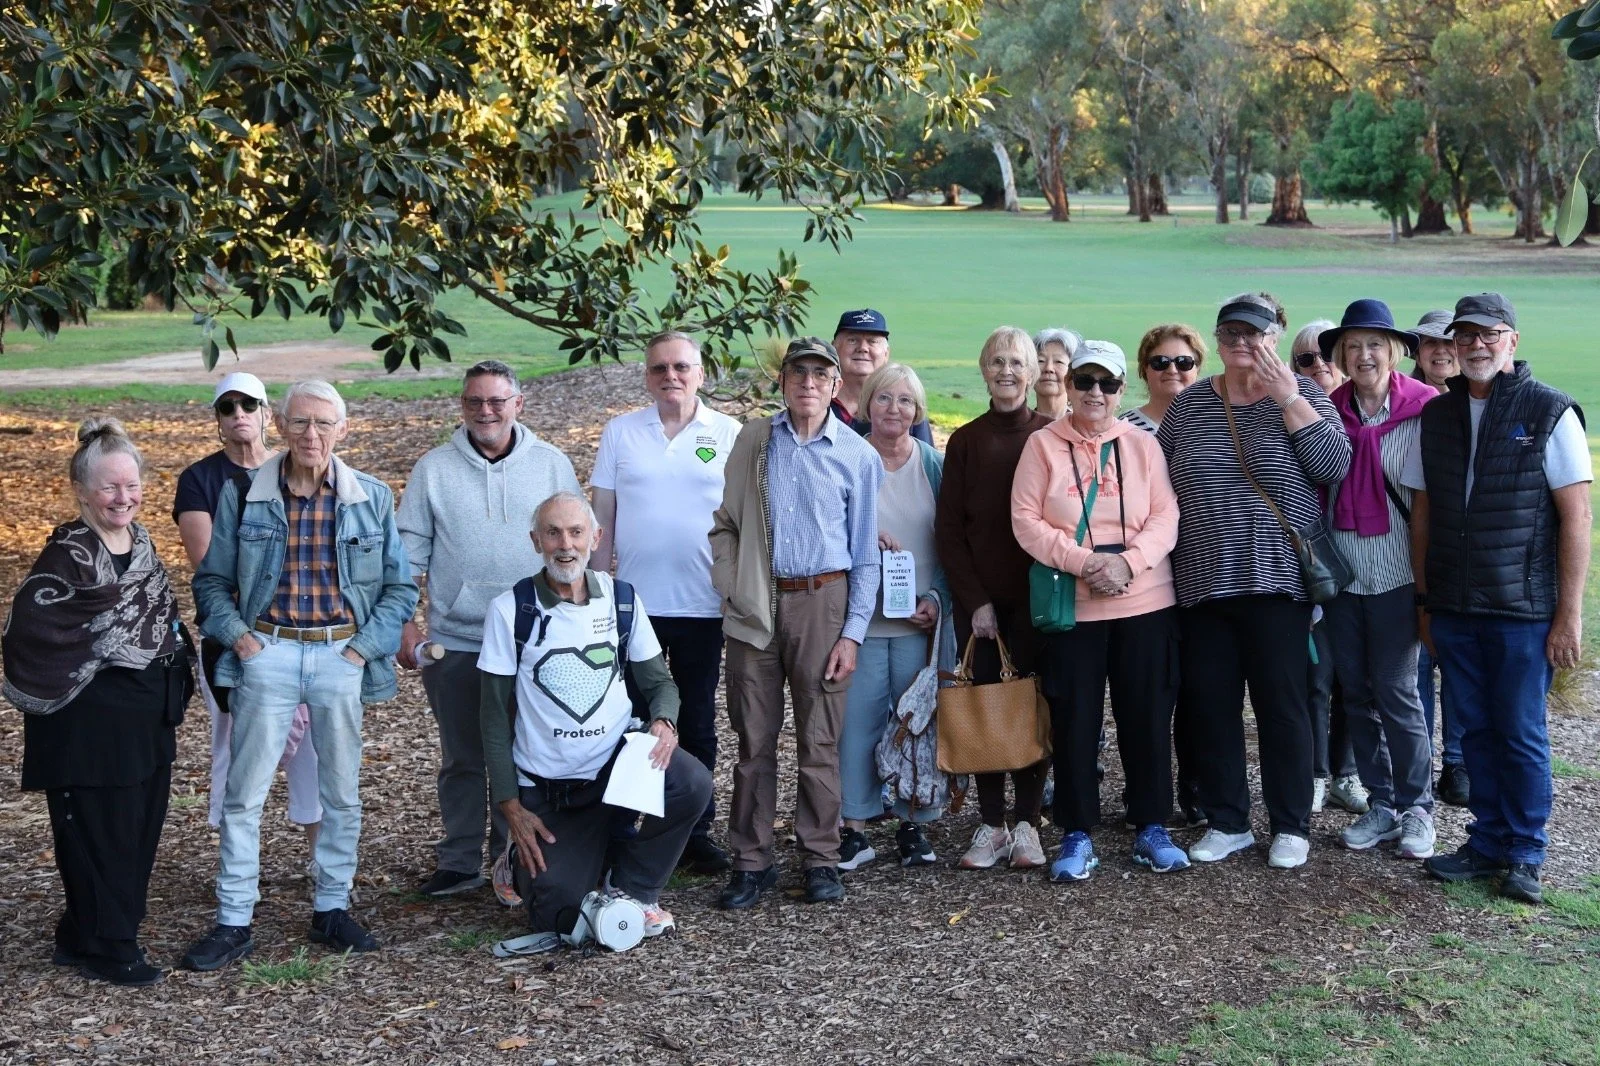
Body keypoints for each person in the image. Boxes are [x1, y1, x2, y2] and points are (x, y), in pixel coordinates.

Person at [183, 380, 419, 970]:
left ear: (344, 429)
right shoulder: (245, 496)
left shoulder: (371, 497)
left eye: (323, 424)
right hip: (270, 652)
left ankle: (331, 909)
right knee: (244, 795)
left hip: (341, 655)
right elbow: (210, 583)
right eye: (299, 423)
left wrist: (363, 651)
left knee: (340, 792)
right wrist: (242, 639)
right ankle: (234, 919)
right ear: (280, 427)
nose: (311, 435)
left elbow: (399, 589)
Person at [1406, 293, 1592, 905]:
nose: (1476, 346)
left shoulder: (1549, 411)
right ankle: (1485, 842)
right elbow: (1423, 512)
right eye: (1466, 337)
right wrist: (1425, 601)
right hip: (1455, 609)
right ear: (1452, 346)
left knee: (1520, 732)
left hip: (1521, 612)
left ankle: (1526, 852)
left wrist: (1568, 615)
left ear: (1512, 340)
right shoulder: (1437, 416)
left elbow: (1576, 518)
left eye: (1490, 335)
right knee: (1476, 732)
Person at [1157, 293, 1352, 870]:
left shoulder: (1305, 394)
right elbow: (1162, 483)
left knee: (1283, 706)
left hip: (1278, 582)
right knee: (1211, 706)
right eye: (1231, 333)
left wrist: (1290, 397)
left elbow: (1332, 467)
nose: (1242, 343)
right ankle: (1228, 821)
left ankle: (1290, 824)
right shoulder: (1191, 405)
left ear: (1273, 338)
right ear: (1216, 341)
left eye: (1254, 333)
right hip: (1203, 581)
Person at [5, 419, 192, 988]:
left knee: (138, 828)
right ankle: (110, 945)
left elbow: (159, 616)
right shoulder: (68, 554)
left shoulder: (141, 543)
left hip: (144, 715)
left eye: (131, 485)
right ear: (82, 490)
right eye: (110, 487)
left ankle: (83, 931)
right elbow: (33, 630)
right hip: (87, 723)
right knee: (97, 831)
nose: (123, 497)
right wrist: (105, 652)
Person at [477, 492, 711, 940]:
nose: (565, 544)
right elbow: (492, 717)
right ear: (535, 541)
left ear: (596, 538)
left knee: (692, 781)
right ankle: (521, 861)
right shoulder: (510, 611)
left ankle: (633, 889)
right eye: (553, 533)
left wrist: (664, 721)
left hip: (617, 773)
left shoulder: (621, 600)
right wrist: (510, 807)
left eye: (576, 532)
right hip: (551, 790)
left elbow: (659, 683)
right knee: (559, 915)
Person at [397, 360, 579, 901]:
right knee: (463, 756)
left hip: (535, 639)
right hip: (457, 639)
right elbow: (407, 555)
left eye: (497, 401)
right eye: (475, 401)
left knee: (525, 753)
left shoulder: (550, 465)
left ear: (518, 405)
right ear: (462, 406)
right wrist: (406, 621)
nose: (486, 411)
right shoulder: (433, 469)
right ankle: (458, 861)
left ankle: (514, 859)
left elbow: (574, 545)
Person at [710, 336, 882, 907]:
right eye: (798, 373)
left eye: (819, 374)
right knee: (753, 739)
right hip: (757, 605)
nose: (808, 383)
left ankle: (820, 857)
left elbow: (865, 555)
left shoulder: (857, 456)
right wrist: (734, 587)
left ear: (836, 387)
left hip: (824, 603)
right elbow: (726, 524)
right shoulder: (755, 442)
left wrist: (852, 632)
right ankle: (751, 859)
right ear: (782, 383)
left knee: (820, 739)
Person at [1012, 341, 1188, 881]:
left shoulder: (1142, 445)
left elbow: (1165, 516)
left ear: (1120, 391)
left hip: (1144, 600)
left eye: (1106, 384)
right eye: (1084, 381)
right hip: (1075, 607)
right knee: (1075, 719)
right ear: (1068, 386)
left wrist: (1129, 564)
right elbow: (1025, 520)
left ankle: (1150, 824)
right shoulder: (1042, 446)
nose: (1094, 393)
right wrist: (1084, 562)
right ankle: (1077, 830)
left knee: (1148, 714)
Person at [591, 333, 741, 874]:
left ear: (701, 373)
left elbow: (745, 523)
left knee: (697, 720)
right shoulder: (621, 433)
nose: (670, 376)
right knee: (630, 719)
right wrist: (593, 592)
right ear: (647, 375)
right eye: (659, 368)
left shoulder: (728, 433)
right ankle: (628, 827)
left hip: (703, 605)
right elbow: (601, 522)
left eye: (681, 367)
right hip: (634, 607)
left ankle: (691, 830)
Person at [173, 373, 323, 872]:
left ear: (267, 415)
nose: (238, 413)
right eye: (227, 406)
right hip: (234, 637)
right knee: (235, 750)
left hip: (304, 632)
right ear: (217, 419)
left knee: (314, 754)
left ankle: (322, 866)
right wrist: (249, 634)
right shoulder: (200, 480)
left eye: (249, 404)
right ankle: (236, 872)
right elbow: (209, 565)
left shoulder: (298, 469)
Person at [1318, 300, 1440, 861]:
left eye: (1374, 344)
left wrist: (1428, 586)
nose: (1363, 355)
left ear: (1393, 352)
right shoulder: (1324, 410)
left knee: (1397, 691)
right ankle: (1382, 803)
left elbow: (1429, 504)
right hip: (1344, 577)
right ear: (1340, 354)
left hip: (1397, 575)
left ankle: (1418, 807)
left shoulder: (1424, 410)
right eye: (1352, 346)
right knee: (1358, 693)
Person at [934, 326, 1054, 871]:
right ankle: (991, 824)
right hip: (981, 605)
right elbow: (950, 531)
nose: (1007, 371)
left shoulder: (1052, 435)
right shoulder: (966, 440)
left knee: (1032, 706)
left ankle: (1027, 823)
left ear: (1033, 373)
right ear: (984, 371)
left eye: (1016, 362)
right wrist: (974, 600)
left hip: (1040, 601)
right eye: (996, 362)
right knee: (983, 706)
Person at [837, 363, 950, 870]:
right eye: (884, 398)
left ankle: (913, 825)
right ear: (867, 405)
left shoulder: (933, 465)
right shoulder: (845, 457)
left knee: (915, 726)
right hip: (859, 625)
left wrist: (936, 596)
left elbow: (953, 542)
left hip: (916, 624)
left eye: (906, 401)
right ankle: (855, 829)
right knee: (857, 726)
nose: (894, 409)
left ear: (918, 410)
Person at [1292, 319, 1367, 817]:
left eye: (1328, 356)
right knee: (1316, 677)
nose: (1320, 366)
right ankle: (1316, 773)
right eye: (1306, 359)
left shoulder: (1365, 417)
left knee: (1355, 680)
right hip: (1310, 566)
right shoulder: (1290, 412)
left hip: (1363, 565)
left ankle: (1348, 772)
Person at [1408, 309, 1469, 807]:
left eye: (1448, 343)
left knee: (1459, 668)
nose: (1441, 351)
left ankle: (1459, 763)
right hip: (1411, 553)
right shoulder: (1407, 404)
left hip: (1465, 558)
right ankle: (1423, 763)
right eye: (1430, 343)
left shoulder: (1479, 401)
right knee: (1418, 665)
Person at [830, 309, 935, 443]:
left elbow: (924, 459)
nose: (863, 348)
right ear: (834, 348)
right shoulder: (815, 400)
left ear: (886, 353)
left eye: (872, 341)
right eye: (852, 340)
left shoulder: (905, 405)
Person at [1121, 324, 1206, 433]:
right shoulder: (1124, 429)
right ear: (1145, 368)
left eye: (1184, 362)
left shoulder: (1215, 423)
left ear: (1197, 368)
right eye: (1160, 362)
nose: (1172, 370)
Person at [1032, 327, 1081, 421]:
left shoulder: (1085, 429)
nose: (1048, 368)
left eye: (1059, 362)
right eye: (1041, 361)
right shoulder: (1020, 429)